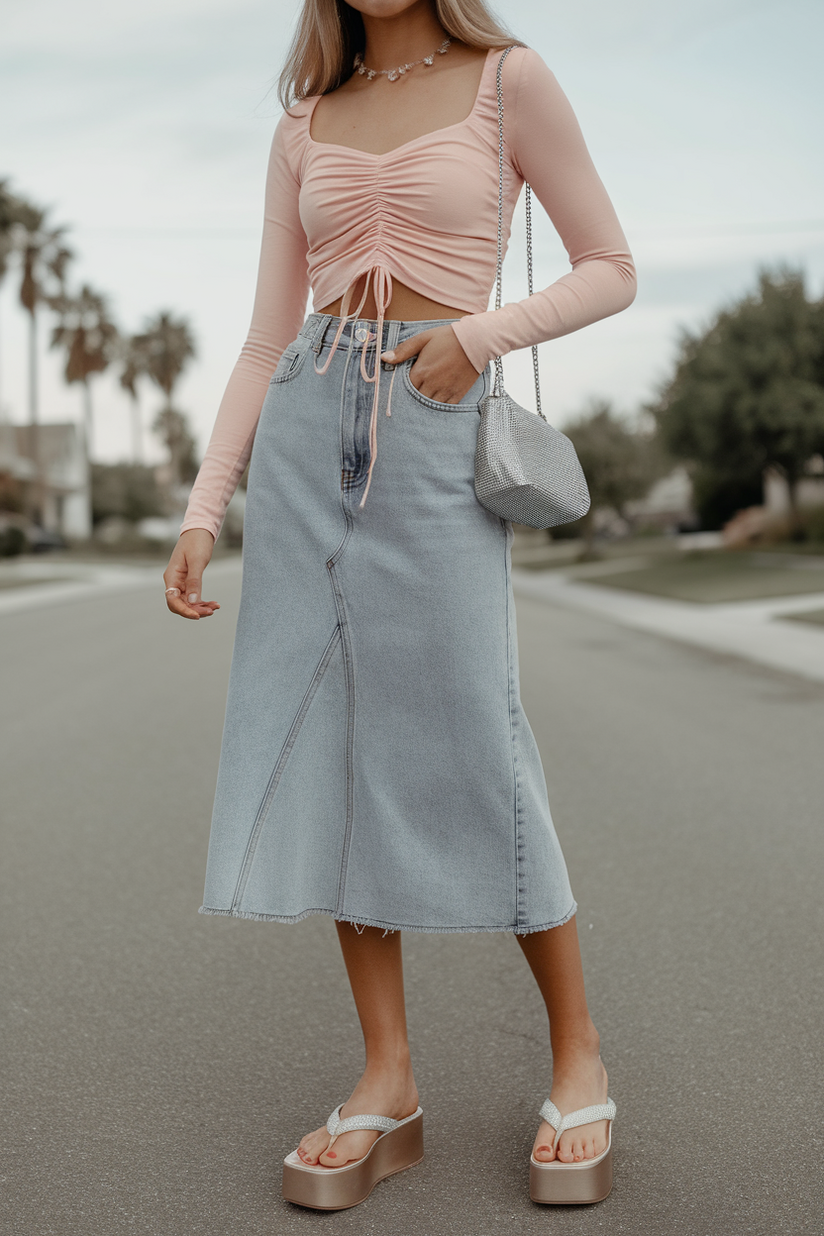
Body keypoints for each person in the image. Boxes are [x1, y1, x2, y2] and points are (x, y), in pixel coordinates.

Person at [163, 0, 636, 1210]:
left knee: (480, 730)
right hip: (308, 431)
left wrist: (478, 337)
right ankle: (388, 1078)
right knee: (333, 742)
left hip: (435, 421)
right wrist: (206, 504)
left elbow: (609, 269)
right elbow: (269, 335)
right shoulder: (302, 121)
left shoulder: (506, 80)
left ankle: (576, 1054)